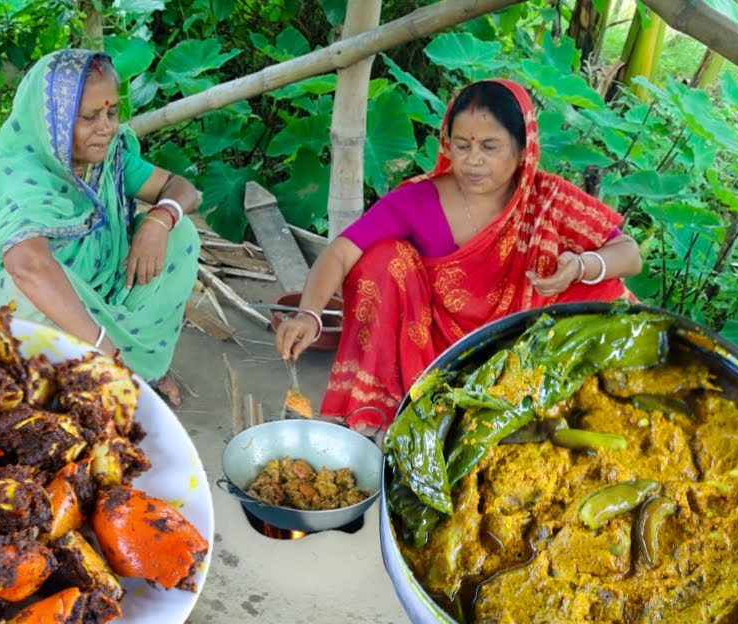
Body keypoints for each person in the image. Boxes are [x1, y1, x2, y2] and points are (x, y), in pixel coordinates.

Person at [275, 79, 642, 431]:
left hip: (519, 344)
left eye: (489, 146)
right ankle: (387, 408)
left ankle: (594, 399)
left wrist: (580, 266)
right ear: (447, 144)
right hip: (433, 353)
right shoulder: (419, 199)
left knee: (605, 294)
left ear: (521, 150)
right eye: (462, 146)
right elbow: (341, 251)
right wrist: (309, 314)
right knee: (381, 260)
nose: (473, 161)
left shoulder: (546, 198)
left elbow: (629, 253)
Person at [0, 49, 202, 407]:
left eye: (112, 112)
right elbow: (27, 265)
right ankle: (88, 382)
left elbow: (182, 189)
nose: (107, 127)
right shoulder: (26, 172)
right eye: (90, 117)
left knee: (181, 234)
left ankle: (143, 368)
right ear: (52, 121)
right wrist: (103, 348)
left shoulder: (109, 156)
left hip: (102, 289)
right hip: (41, 303)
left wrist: (158, 220)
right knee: (25, 288)